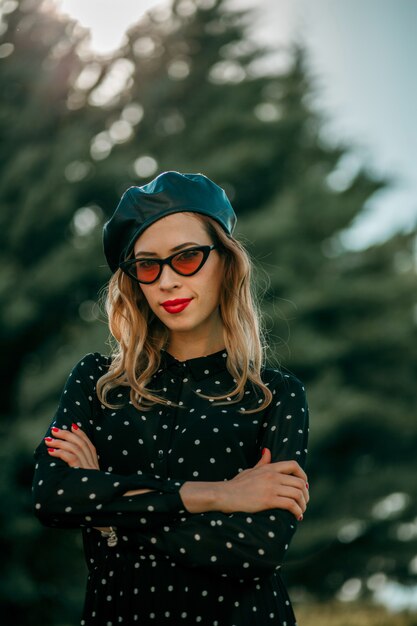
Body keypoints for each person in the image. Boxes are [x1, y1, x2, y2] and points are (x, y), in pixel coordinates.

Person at [32, 171, 310, 626]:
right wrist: (219, 495)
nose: (165, 281)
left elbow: (260, 548)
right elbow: (55, 495)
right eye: (147, 265)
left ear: (226, 261)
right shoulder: (96, 383)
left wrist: (110, 518)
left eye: (186, 258)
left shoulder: (276, 396)